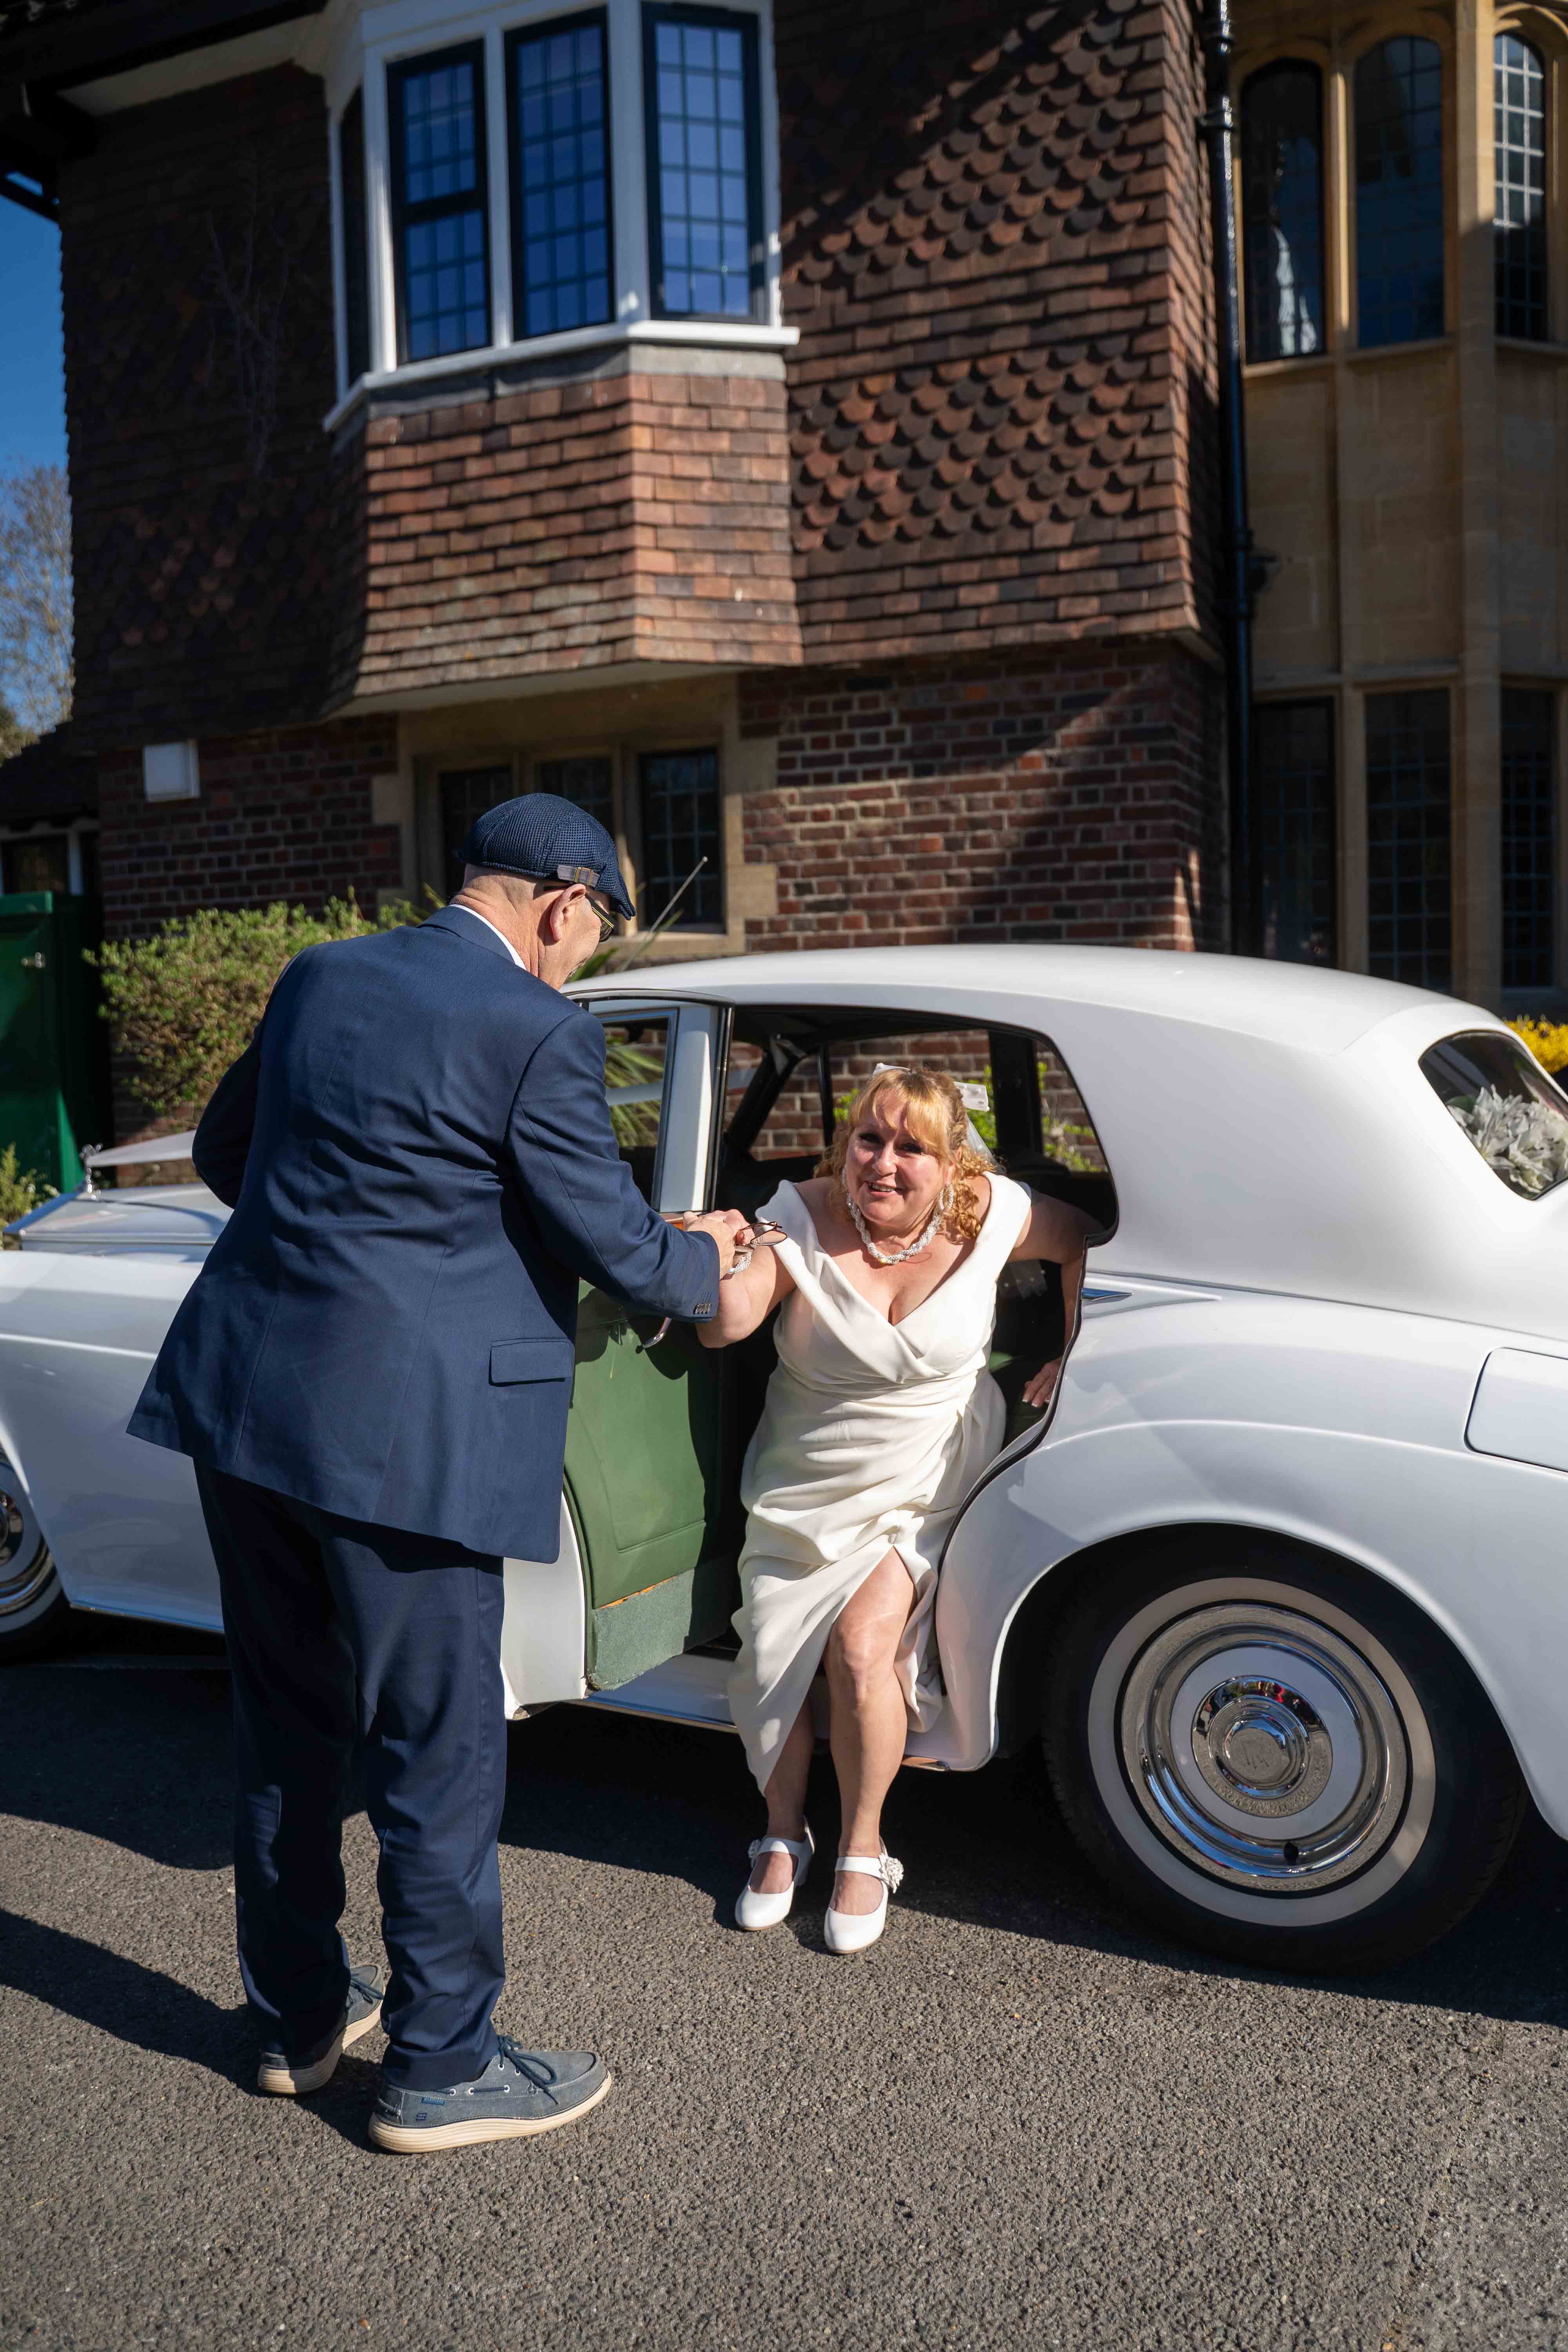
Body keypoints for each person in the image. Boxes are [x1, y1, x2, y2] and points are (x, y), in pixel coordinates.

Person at [128, 796, 750, 2150]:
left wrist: (352, 1245)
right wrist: (725, 1254)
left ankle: (294, 2017)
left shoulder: (323, 976)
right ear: (563, 903)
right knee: (437, 1752)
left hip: (247, 1402)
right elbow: (625, 1253)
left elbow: (231, 1155)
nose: (584, 959)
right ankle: (441, 2062)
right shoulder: (539, 1030)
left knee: (286, 1723)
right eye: (593, 933)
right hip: (406, 1442)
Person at [699, 1065, 1098, 1953]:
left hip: (928, 1470)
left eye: (912, 1147)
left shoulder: (993, 1212)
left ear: (952, 1166)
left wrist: (1071, 1351)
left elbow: (1083, 1240)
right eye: (868, 1141)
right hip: (807, 1478)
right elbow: (726, 1326)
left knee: (859, 1644)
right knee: (773, 1655)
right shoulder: (795, 1214)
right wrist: (718, 1249)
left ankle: (863, 1844)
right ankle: (780, 1830)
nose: (883, 1163)